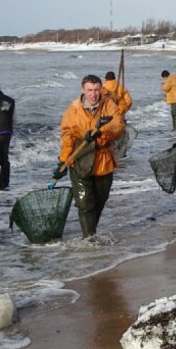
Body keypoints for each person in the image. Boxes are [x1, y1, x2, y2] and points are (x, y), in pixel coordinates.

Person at [49, 74, 125, 237]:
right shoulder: (74, 109)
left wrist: (100, 132)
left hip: (103, 160)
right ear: (83, 90)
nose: (93, 94)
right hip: (80, 159)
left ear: (101, 89)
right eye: (90, 90)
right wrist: (63, 161)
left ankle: (91, 231)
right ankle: (89, 238)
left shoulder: (108, 105)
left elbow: (118, 126)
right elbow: (67, 136)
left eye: (96, 90)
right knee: (84, 204)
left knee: (99, 201)